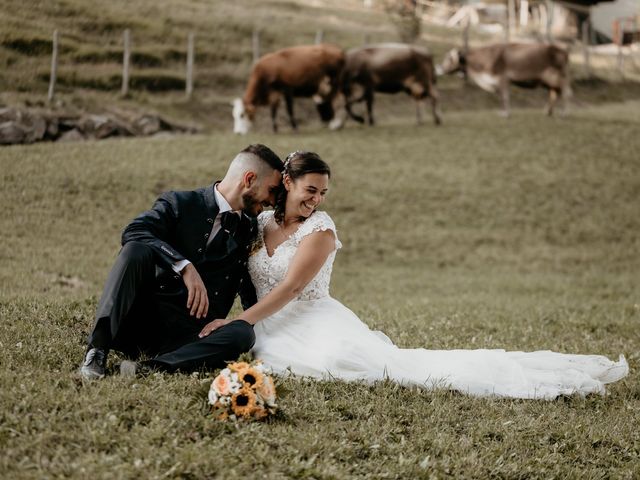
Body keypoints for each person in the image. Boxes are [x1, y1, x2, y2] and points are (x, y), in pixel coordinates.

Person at [199, 151, 629, 399]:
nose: (316, 199)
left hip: (309, 317)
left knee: (337, 364)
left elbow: (292, 287)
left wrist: (238, 322)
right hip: (264, 320)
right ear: (287, 183)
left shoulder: (321, 230)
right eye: (310, 189)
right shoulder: (259, 224)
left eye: (323, 192)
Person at [79, 144, 284, 380]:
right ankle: (97, 351)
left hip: (192, 336)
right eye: (271, 190)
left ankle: (150, 368)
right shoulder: (180, 202)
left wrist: (253, 326)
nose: (272, 200)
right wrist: (184, 265)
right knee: (135, 250)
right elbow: (134, 230)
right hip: (141, 322)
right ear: (249, 179)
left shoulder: (249, 229)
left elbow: (249, 287)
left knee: (243, 332)